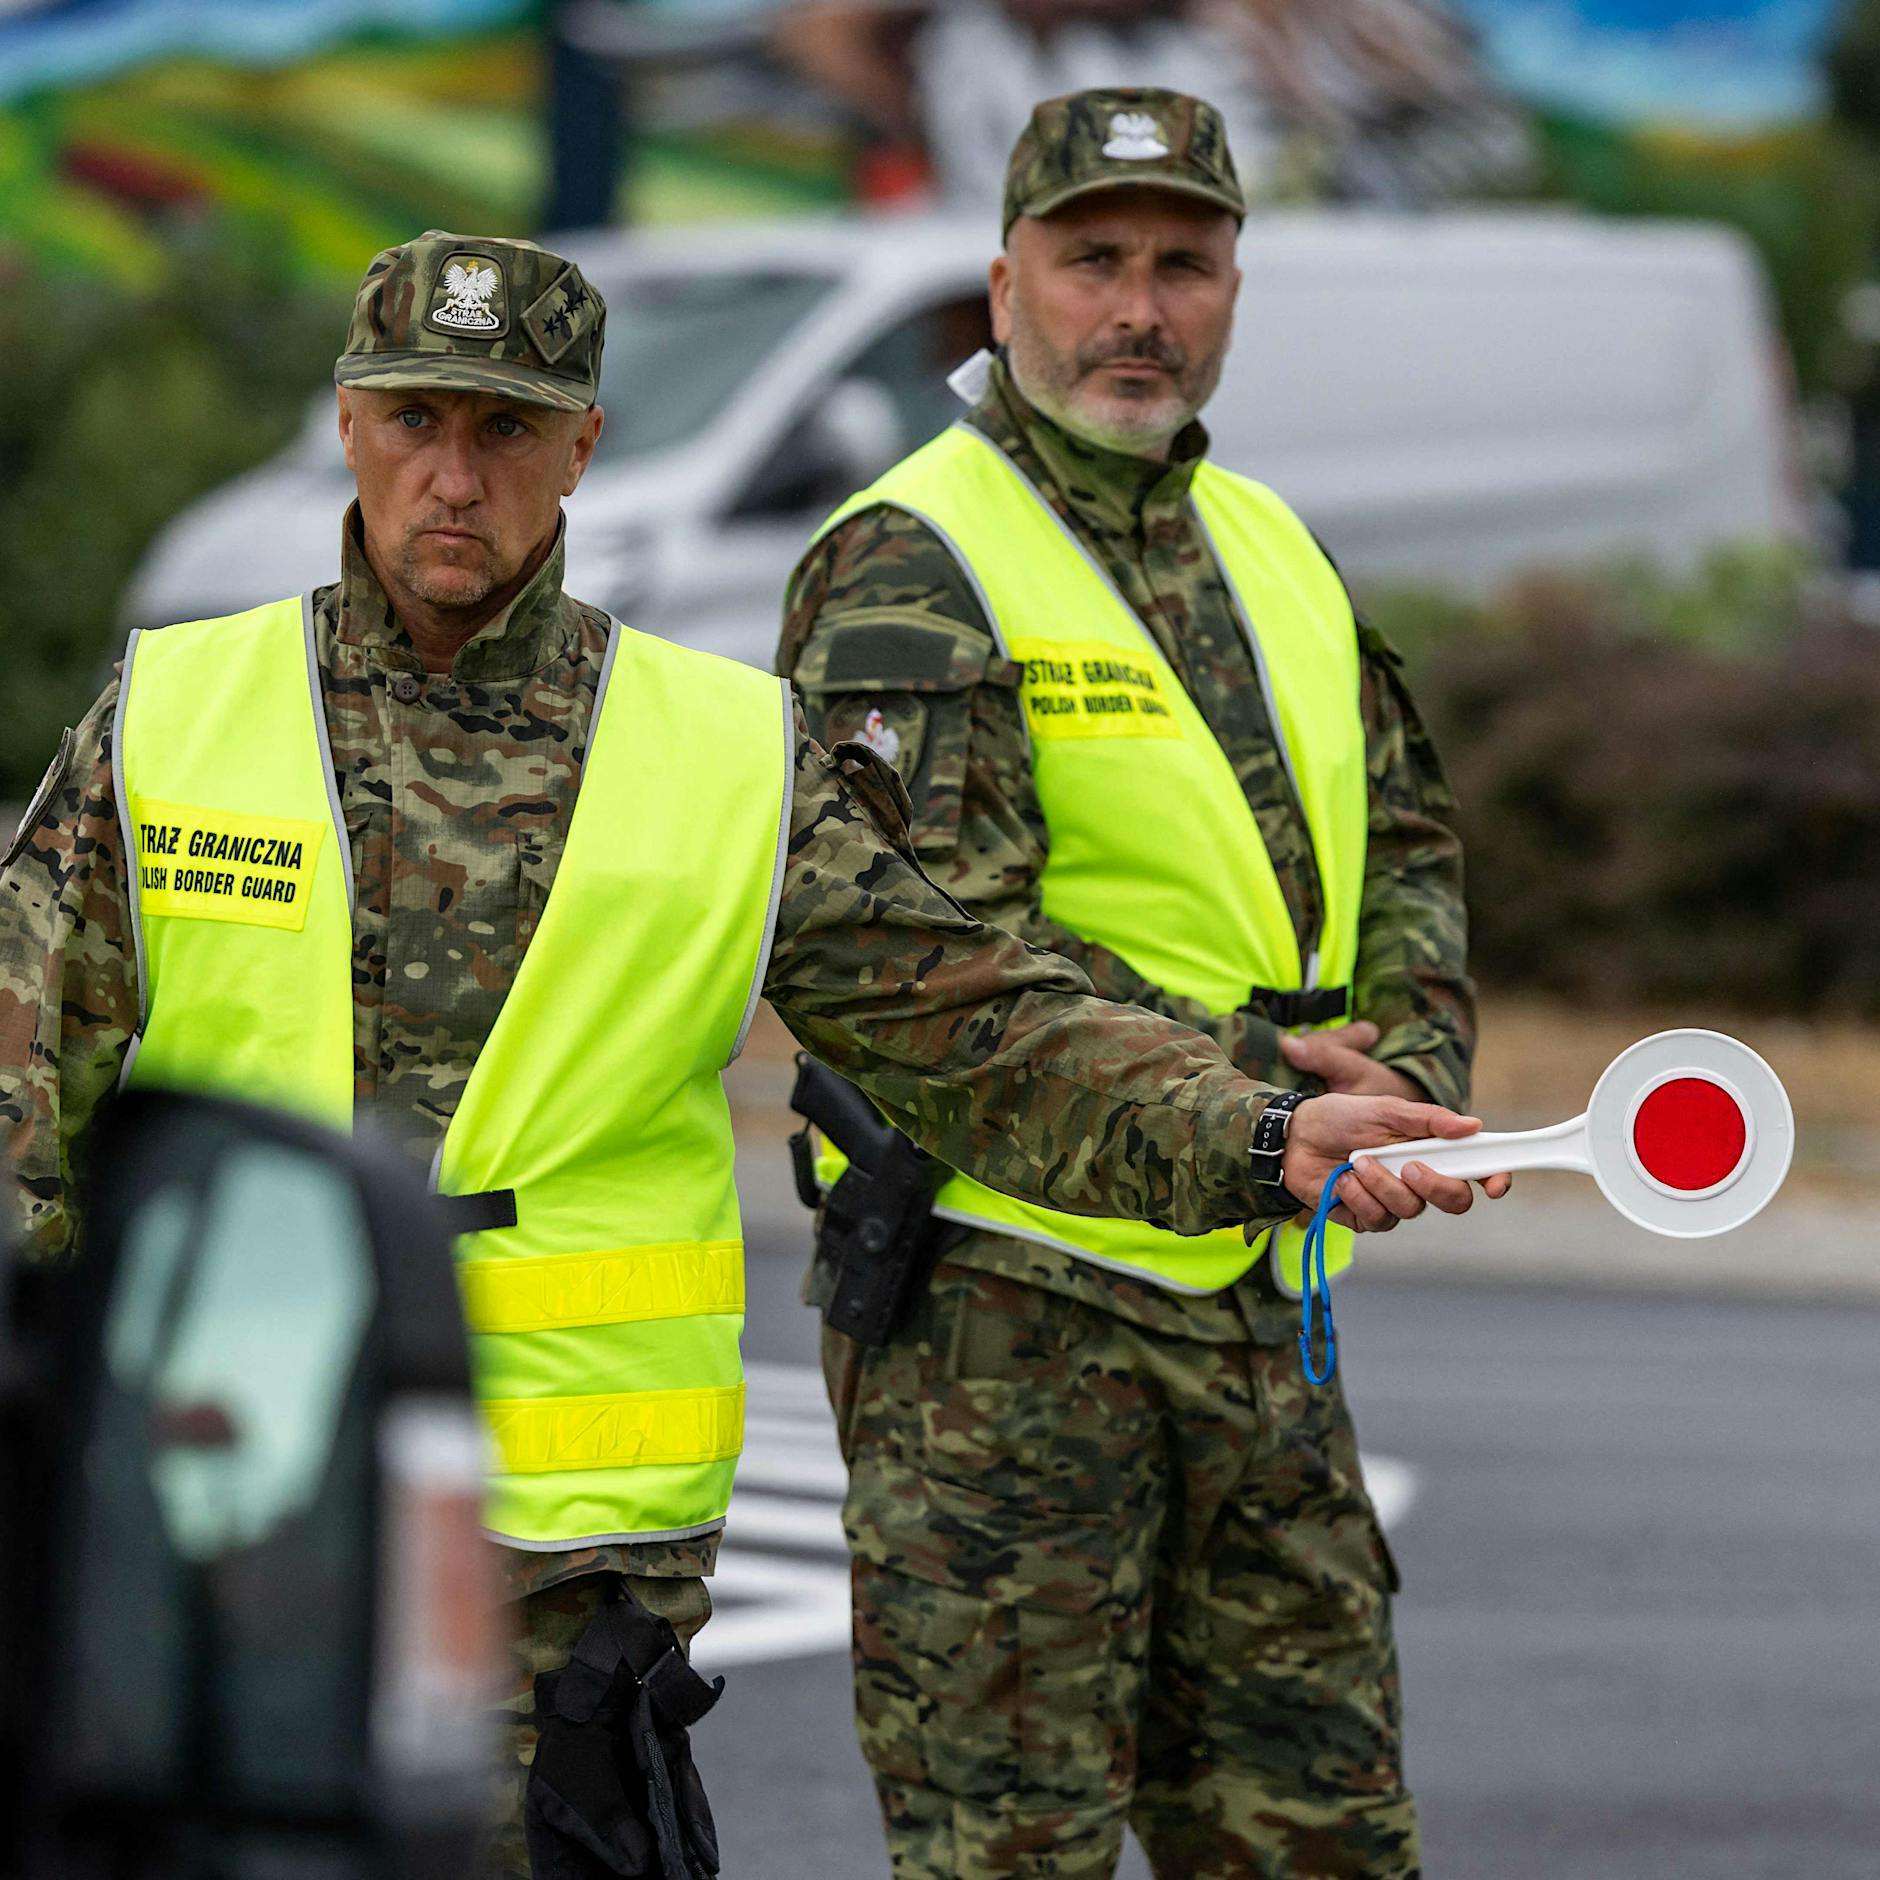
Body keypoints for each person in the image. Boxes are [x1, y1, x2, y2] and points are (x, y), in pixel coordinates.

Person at [0, 229, 1499, 1879]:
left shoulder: (718, 749)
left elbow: (979, 1022)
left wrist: (1246, 1126)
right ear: (348, 420)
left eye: (503, 429)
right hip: (235, 1509)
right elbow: (17, 1084)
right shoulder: (174, 714)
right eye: (416, 418)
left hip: (569, 1573)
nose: (452, 474)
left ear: (583, 446)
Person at [777, 88, 1495, 1878]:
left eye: (1185, 263)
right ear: (1004, 282)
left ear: (1238, 285)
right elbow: (925, 954)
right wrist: (1264, 1073)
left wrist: (1405, 1071)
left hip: (1262, 1306)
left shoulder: (1274, 546)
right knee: (1012, 1853)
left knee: (1321, 1840)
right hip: (1012, 1328)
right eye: (1093, 258)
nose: (1139, 307)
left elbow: (1402, 850)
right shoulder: (905, 562)